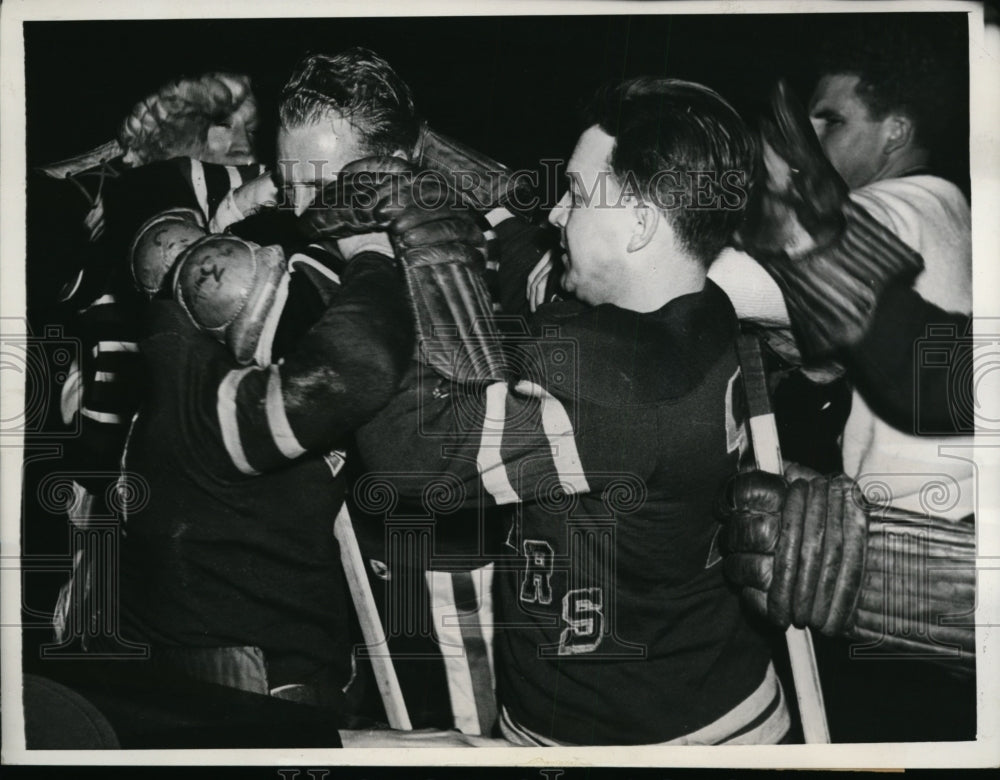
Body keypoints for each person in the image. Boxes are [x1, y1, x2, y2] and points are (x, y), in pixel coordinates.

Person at [317, 76, 791, 746]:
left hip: (648, 741)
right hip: (702, 686)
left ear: (640, 224)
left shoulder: (616, 389)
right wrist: (419, 145)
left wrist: (369, 260)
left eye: (574, 193)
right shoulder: (698, 309)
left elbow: (410, 455)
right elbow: (529, 256)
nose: (560, 214)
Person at [711, 28, 977, 740]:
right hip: (938, 540)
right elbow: (918, 372)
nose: (815, 134)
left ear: (897, 131)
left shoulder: (890, 207)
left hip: (918, 546)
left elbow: (710, 289)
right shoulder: (954, 210)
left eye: (833, 118)